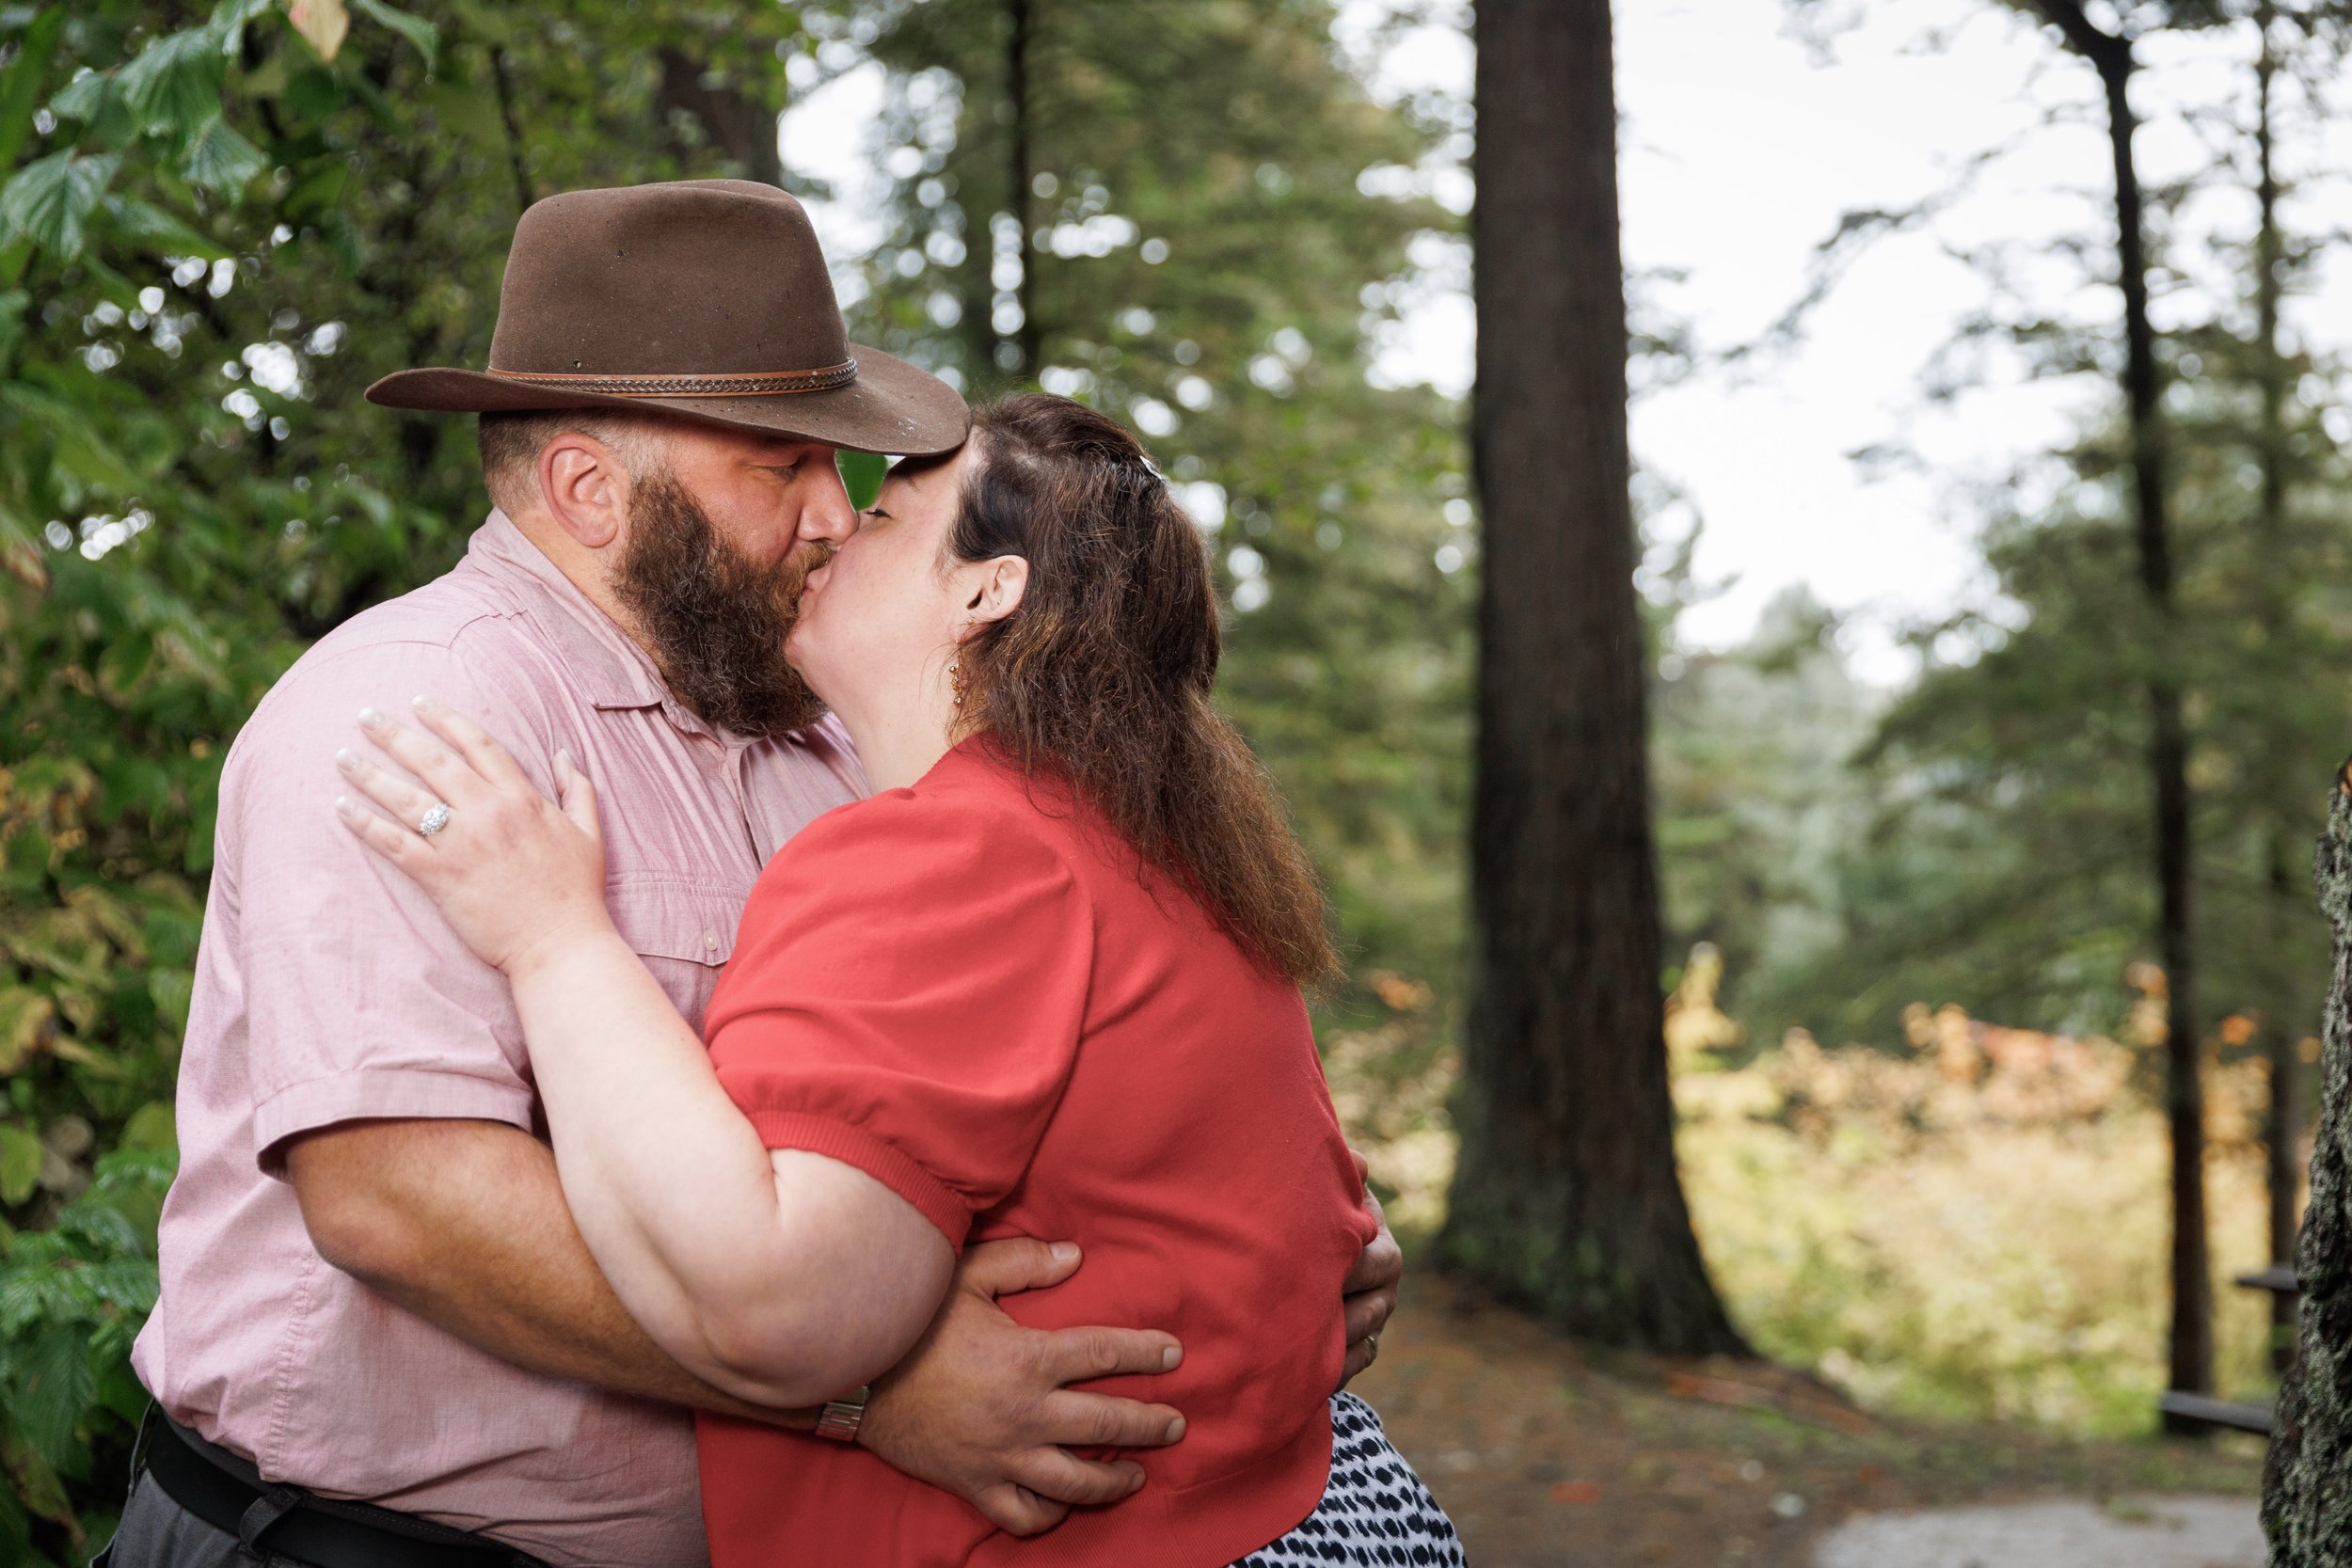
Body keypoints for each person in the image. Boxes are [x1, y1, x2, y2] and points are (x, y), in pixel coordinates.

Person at [113, 181, 1399, 1568]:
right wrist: (863, 1391)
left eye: (838, 470)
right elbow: (396, 1197)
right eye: (779, 464)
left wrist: (1267, 1233)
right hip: (361, 1548)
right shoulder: (417, 712)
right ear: (590, 490)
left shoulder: (839, 731)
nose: (836, 515)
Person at [334, 392, 1463, 1567]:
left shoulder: (954, 847)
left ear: (989, 587)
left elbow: (776, 1307)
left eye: (881, 512)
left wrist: (553, 938)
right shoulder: (1141, 835)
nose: (831, 524)